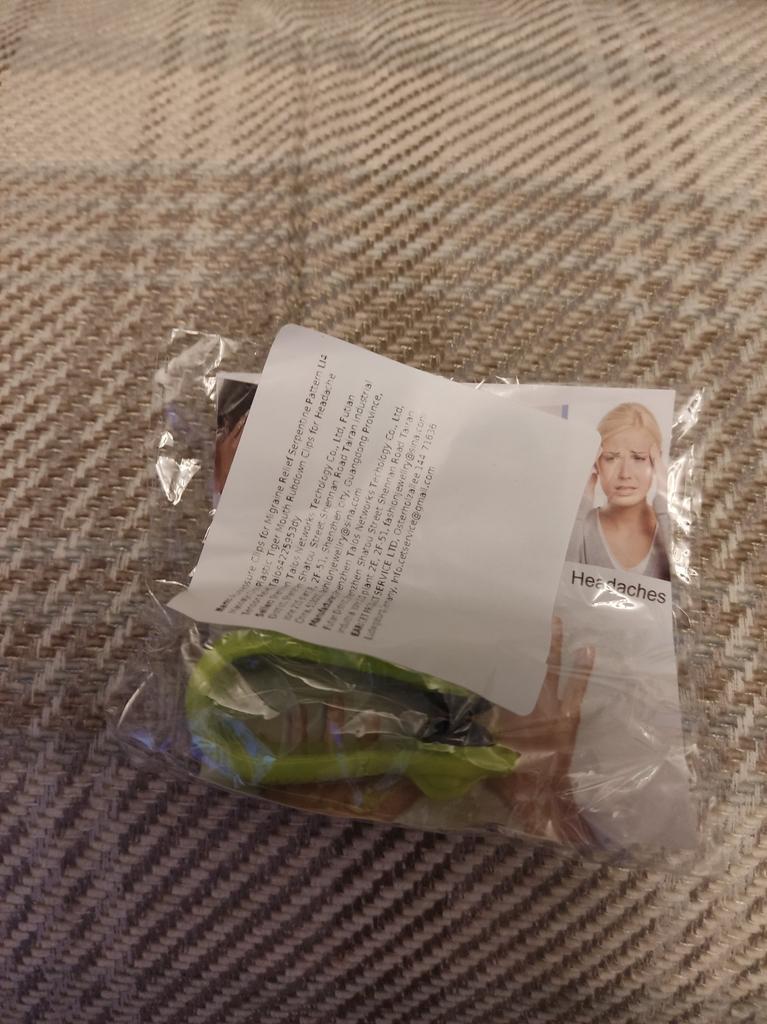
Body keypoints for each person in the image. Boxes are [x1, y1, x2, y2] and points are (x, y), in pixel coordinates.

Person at [566, 402, 671, 581]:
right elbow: (560, 586)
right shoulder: (579, 527)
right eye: (611, 458)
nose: (625, 474)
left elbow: (683, 586)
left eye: (638, 458)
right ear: (596, 462)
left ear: (657, 461)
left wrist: (664, 501)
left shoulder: (669, 526)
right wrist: (581, 503)